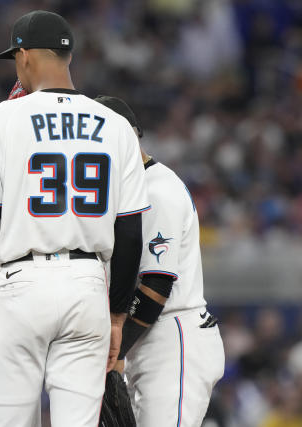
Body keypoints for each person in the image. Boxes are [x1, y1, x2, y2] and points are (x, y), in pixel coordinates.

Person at [0, 11, 150, 427]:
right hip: (88, 285)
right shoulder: (117, 125)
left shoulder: (4, 117)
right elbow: (131, 233)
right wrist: (117, 315)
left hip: (22, 281)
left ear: (24, 56)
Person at [94, 95, 225, 427]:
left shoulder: (156, 190)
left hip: (174, 337)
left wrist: (117, 350)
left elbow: (156, 285)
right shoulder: (128, 189)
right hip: (149, 338)